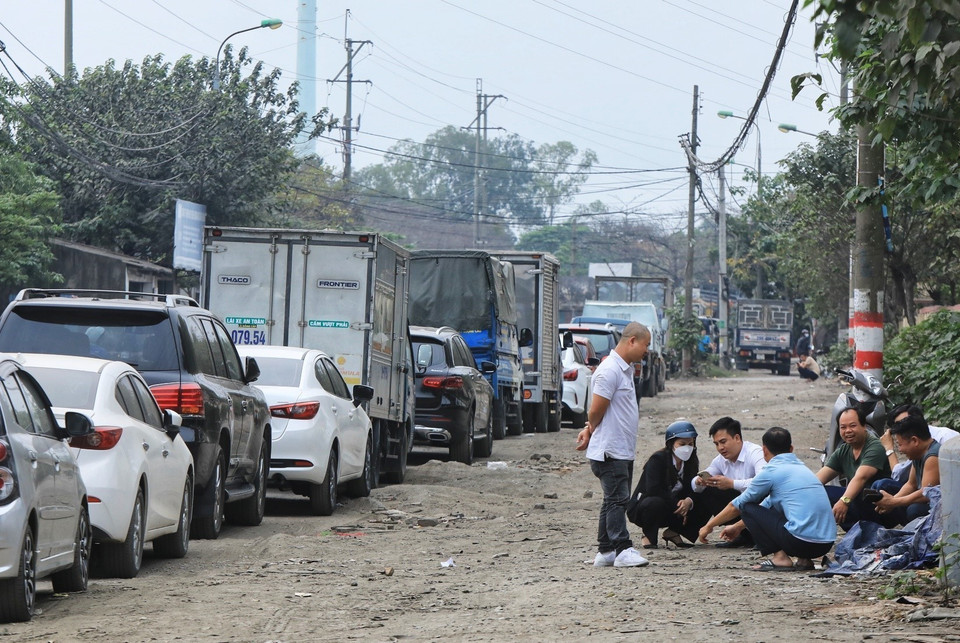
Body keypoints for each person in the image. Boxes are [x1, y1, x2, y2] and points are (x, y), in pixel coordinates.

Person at [698, 427, 837, 571]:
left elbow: (738, 506)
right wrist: (737, 527)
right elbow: (766, 504)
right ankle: (804, 560)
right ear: (791, 448)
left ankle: (780, 558)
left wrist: (709, 526)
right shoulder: (803, 469)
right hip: (825, 544)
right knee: (786, 508)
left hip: (800, 543)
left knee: (747, 506)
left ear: (764, 450)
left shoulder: (771, 471)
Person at [575, 322, 651, 568]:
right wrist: (590, 428)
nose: (646, 351)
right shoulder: (609, 370)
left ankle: (606, 550)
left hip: (619, 448)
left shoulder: (624, 369)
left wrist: (589, 430)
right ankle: (622, 549)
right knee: (618, 499)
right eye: (645, 345)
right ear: (632, 341)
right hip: (610, 450)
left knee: (612, 499)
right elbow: (596, 410)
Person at [625, 421, 707, 549]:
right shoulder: (658, 460)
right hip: (646, 508)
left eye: (690, 444)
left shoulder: (691, 461)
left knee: (705, 495)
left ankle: (674, 531)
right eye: (682, 444)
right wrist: (679, 504)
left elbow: (691, 487)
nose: (687, 448)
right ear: (671, 444)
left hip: (674, 508)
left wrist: (688, 501)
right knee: (654, 502)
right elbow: (654, 489)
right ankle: (648, 536)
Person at [691, 416, 767, 548]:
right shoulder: (720, 460)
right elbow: (698, 484)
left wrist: (732, 483)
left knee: (760, 495)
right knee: (710, 489)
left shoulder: (755, 453)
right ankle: (742, 536)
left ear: (737, 438)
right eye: (716, 444)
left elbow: (764, 482)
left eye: (723, 442)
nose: (720, 448)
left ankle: (761, 536)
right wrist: (699, 481)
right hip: (740, 507)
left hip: (761, 504)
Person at [816, 405, 893, 530]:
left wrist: (844, 501)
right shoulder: (844, 450)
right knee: (818, 492)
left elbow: (861, 477)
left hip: (880, 507)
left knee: (856, 493)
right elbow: (818, 479)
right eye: (843, 427)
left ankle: (870, 530)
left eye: (852, 426)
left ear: (864, 426)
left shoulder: (875, 446)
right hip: (857, 501)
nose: (848, 431)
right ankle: (856, 531)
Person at [871, 414, 941, 526]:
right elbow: (911, 484)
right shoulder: (918, 454)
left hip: (940, 506)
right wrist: (890, 501)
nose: (900, 450)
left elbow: (926, 494)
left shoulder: (933, 457)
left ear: (914, 441)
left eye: (900, 445)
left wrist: (894, 502)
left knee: (914, 510)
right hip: (925, 497)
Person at [879, 404, 959, 485]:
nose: (900, 427)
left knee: (883, 484)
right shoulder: (918, 451)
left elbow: (899, 476)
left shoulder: (932, 445)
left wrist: (889, 448)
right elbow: (910, 484)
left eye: (904, 422)